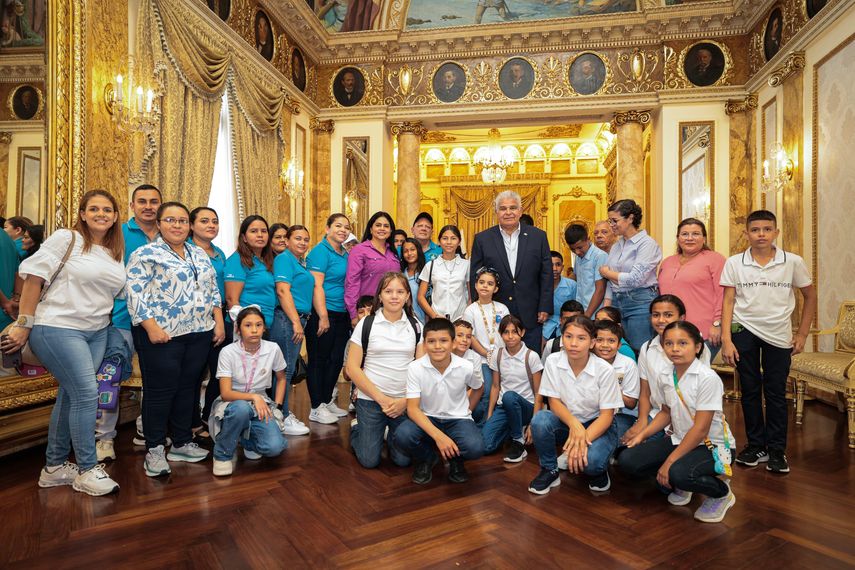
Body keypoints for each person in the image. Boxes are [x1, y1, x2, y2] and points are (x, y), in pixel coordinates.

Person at [2, 190, 125, 496]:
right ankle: (87, 469)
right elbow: (33, 279)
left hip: (96, 331)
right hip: (58, 327)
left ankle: (54, 468)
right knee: (87, 393)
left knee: (71, 395)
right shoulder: (66, 238)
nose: (101, 214)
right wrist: (24, 324)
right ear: (82, 214)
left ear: (115, 216)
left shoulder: (114, 252)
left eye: (107, 209)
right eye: (93, 209)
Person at [126, 202, 225, 477]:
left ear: (189, 225)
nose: (177, 225)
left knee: (187, 388)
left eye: (182, 220)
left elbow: (212, 290)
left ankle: (181, 443)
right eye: (170, 220)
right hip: (162, 335)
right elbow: (135, 293)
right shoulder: (145, 253)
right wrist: (151, 327)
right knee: (160, 392)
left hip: (199, 332)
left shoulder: (199, 254)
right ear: (159, 224)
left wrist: (218, 322)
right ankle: (155, 449)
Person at [721, 210, 815, 474]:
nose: (761, 234)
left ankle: (776, 450)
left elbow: (810, 296)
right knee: (750, 390)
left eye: (766, 229)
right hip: (743, 330)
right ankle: (755, 446)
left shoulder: (792, 262)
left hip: (778, 333)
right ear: (746, 233)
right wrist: (727, 339)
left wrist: (802, 334)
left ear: (776, 232)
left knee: (775, 392)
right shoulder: (734, 263)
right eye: (755, 230)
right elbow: (728, 301)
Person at [620, 321, 737, 523]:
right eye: (669, 343)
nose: (675, 349)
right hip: (680, 439)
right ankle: (682, 479)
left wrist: (669, 462)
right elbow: (666, 412)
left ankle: (721, 493)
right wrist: (642, 435)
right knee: (628, 460)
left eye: (683, 343)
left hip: (712, 445)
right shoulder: (666, 374)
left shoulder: (707, 378)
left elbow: (700, 430)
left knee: (678, 473)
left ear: (697, 347)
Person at [99, 183, 162, 458]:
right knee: (109, 377)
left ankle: (146, 428)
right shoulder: (118, 233)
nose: (148, 206)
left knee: (155, 379)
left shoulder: (169, 234)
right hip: (120, 318)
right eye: (142, 201)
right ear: (132, 206)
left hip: (158, 322)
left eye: (154, 201)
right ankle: (103, 438)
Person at [528, 316, 622, 495]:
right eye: (568, 336)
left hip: (598, 424)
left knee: (592, 463)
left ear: (592, 342)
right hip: (568, 421)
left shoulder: (605, 370)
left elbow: (607, 416)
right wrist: (575, 425)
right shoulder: (553, 361)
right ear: (562, 338)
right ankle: (549, 470)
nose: (573, 343)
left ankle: (599, 471)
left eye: (581, 338)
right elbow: (553, 401)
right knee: (540, 420)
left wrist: (580, 442)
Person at [345, 272, 423, 469]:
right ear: (379, 296)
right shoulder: (366, 324)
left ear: (407, 296)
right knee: (369, 461)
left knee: (403, 461)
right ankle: (357, 429)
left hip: (402, 402)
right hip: (371, 400)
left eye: (400, 291)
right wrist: (381, 399)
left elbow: (423, 371)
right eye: (388, 291)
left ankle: (382, 432)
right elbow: (352, 368)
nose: (394, 296)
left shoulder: (416, 326)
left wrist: (405, 402)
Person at [396, 317, 484, 484]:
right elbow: (412, 409)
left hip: (458, 419)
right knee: (402, 436)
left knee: (475, 447)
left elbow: (479, 388)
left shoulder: (466, 366)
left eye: (443, 340)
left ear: (453, 343)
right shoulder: (415, 367)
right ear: (424, 344)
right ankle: (427, 458)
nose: (437, 346)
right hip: (427, 417)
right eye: (431, 341)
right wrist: (439, 437)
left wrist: (468, 411)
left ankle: (456, 460)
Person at [469, 191, 552, 352]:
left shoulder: (538, 236)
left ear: (520, 211)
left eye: (513, 208)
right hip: (495, 314)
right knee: (498, 360)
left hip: (531, 312)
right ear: (496, 212)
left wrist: (545, 306)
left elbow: (546, 274)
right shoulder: (482, 239)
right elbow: (476, 276)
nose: (508, 212)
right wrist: (478, 307)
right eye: (503, 208)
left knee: (530, 359)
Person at [622, 295, 710, 446]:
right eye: (656, 315)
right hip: (658, 415)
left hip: (688, 418)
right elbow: (645, 392)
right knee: (627, 444)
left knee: (646, 450)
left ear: (681, 318)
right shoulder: (647, 348)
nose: (661, 320)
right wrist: (642, 421)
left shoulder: (695, 347)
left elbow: (699, 392)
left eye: (668, 315)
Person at [210, 307, 287, 477]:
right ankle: (222, 454)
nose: (254, 330)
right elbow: (225, 393)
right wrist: (253, 397)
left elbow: (281, 378)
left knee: (275, 447)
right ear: (238, 329)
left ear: (264, 328)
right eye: (248, 325)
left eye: (259, 325)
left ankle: (246, 440)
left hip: (261, 404)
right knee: (241, 408)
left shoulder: (273, 349)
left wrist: (278, 407)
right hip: (231, 403)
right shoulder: (228, 352)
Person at [306, 213, 352, 424]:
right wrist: (323, 316)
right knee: (319, 359)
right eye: (338, 226)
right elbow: (316, 285)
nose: (343, 230)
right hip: (323, 312)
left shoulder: (345, 252)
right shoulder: (319, 252)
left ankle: (326, 400)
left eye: (346, 227)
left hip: (342, 313)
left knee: (335, 359)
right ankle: (316, 406)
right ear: (327, 229)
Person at [600, 199, 662, 353]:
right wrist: (607, 306)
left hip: (640, 301)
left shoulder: (647, 244)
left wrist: (607, 272)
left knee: (640, 349)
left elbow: (635, 279)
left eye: (615, 221)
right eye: (610, 221)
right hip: (616, 301)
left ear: (630, 218)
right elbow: (611, 282)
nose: (611, 225)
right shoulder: (617, 246)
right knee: (618, 348)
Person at [658, 218, 726, 360]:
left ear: (704, 238)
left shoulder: (715, 259)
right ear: (678, 238)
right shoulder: (667, 262)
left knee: (694, 371)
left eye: (695, 234)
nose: (690, 238)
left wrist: (717, 324)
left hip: (704, 332)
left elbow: (724, 294)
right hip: (671, 331)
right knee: (671, 372)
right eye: (685, 234)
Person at [188, 207, 229, 437]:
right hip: (195, 317)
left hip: (220, 315)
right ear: (191, 225)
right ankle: (191, 422)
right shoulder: (186, 250)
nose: (211, 225)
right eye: (204, 221)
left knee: (219, 371)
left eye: (214, 221)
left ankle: (208, 417)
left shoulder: (219, 253)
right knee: (194, 374)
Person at [482, 315, 544, 462]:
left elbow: (538, 393)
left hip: (526, 407)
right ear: (501, 334)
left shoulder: (531, 356)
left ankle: (518, 441)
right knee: (485, 446)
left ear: (522, 332)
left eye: (514, 332)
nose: (510, 336)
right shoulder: (497, 355)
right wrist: (489, 415)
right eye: (506, 332)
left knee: (509, 396)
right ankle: (513, 428)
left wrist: (533, 424)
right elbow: (495, 386)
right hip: (504, 407)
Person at [271, 225, 313, 436]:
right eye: (298, 238)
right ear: (287, 241)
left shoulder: (299, 262)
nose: (302, 242)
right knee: (284, 370)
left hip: (296, 319)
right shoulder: (284, 259)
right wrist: (296, 322)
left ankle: (280, 413)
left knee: (286, 369)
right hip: (287, 320)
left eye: (306, 239)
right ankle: (283, 416)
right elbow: (282, 290)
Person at [462, 266, 509, 422]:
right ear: (475, 285)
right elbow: (470, 337)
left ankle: (498, 423)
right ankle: (482, 424)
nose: (485, 286)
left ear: (496, 288)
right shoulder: (470, 310)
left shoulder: (502, 308)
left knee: (502, 392)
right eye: (481, 282)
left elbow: (507, 333)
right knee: (487, 391)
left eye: (490, 283)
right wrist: (486, 353)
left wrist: (499, 355)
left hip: (501, 359)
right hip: (482, 359)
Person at [344, 211, 401, 326]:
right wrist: (354, 314)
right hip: (367, 311)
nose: (382, 228)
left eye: (386, 226)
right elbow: (352, 283)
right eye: (378, 225)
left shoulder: (393, 253)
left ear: (391, 231)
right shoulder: (359, 250)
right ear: (371, 229)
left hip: (391, 312)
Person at [225, 216, 276, 330]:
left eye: (264, 231)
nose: (260, 235)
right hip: (248, 328)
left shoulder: (266, 260)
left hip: (265, 324)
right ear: (244, 237)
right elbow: (231, 300)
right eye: (254, 231)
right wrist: (244, 328)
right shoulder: (237, 260)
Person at [593, 320, 639, 443]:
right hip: (592, 413)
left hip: (621, 415)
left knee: (605, 438)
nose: (605, 345)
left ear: (619, 345)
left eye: (611, 341)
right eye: (599, 340)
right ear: (592, 342)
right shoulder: (587, 361)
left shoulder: (628, 364)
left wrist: (609, 386)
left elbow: (631, 403)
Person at [418, 225, 470, 322]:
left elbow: (471, 296)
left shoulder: (467, 265)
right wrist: (434, 316)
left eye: (453, 238)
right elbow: (420, 296)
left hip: (460, 320)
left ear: (459, 242)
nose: (449, 242)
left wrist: (465, 317)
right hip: (437, 320)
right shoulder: (431, 265)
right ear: (439, 241)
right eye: (445, 238)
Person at [564, 223, 608, 317]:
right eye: (572, 249)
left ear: (588, 239)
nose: (577, 252)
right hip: (581, 311)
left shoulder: (599, 256)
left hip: (594, 313)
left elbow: (600, 290)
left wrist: (587, 315)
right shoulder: (578, 257)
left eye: (580, 247)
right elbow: (575, 276)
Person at [543, 251, 577, 343]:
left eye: (558, 265)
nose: (554, 269)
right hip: (545, 326)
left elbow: (576, 308)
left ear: (563, 267)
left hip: (567, 325)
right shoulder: (539, 285)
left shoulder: (572, 285)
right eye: (550, 265)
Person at [400, 237, 427, 323]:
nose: (409, 253)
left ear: (418, 251)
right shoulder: (400, 275)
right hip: (403, 321)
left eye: (412, 250)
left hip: (423, 322)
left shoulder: (426, 273)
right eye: (405, 251)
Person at [0, 230, 18, 331]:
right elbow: (18, 272)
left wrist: (5, 302)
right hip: (8, 312)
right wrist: (16, 299)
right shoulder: (6, 237)